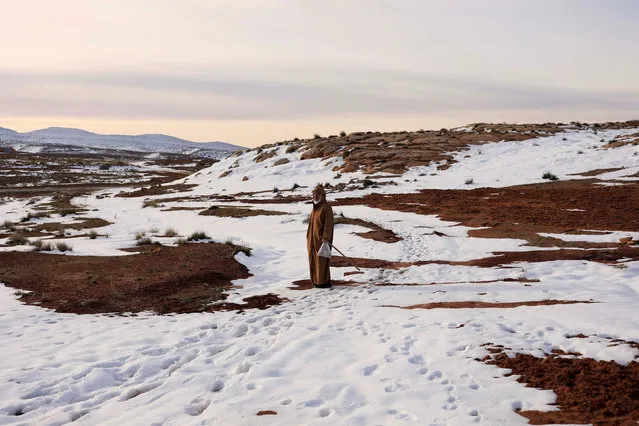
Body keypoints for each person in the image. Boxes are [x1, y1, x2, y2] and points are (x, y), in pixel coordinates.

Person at [306, 184, 334, 288]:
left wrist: (325, 237)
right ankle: (315, 281)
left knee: (321, 261)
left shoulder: (326, 207)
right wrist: (308, 237)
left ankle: (323, 283)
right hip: (312, 241)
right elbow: (311, 225)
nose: (315, 196)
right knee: (313, 260)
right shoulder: (314, 209)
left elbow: (329, 224)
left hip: (321, 241)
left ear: (322, 196)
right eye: (314, 194)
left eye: (317, 194)